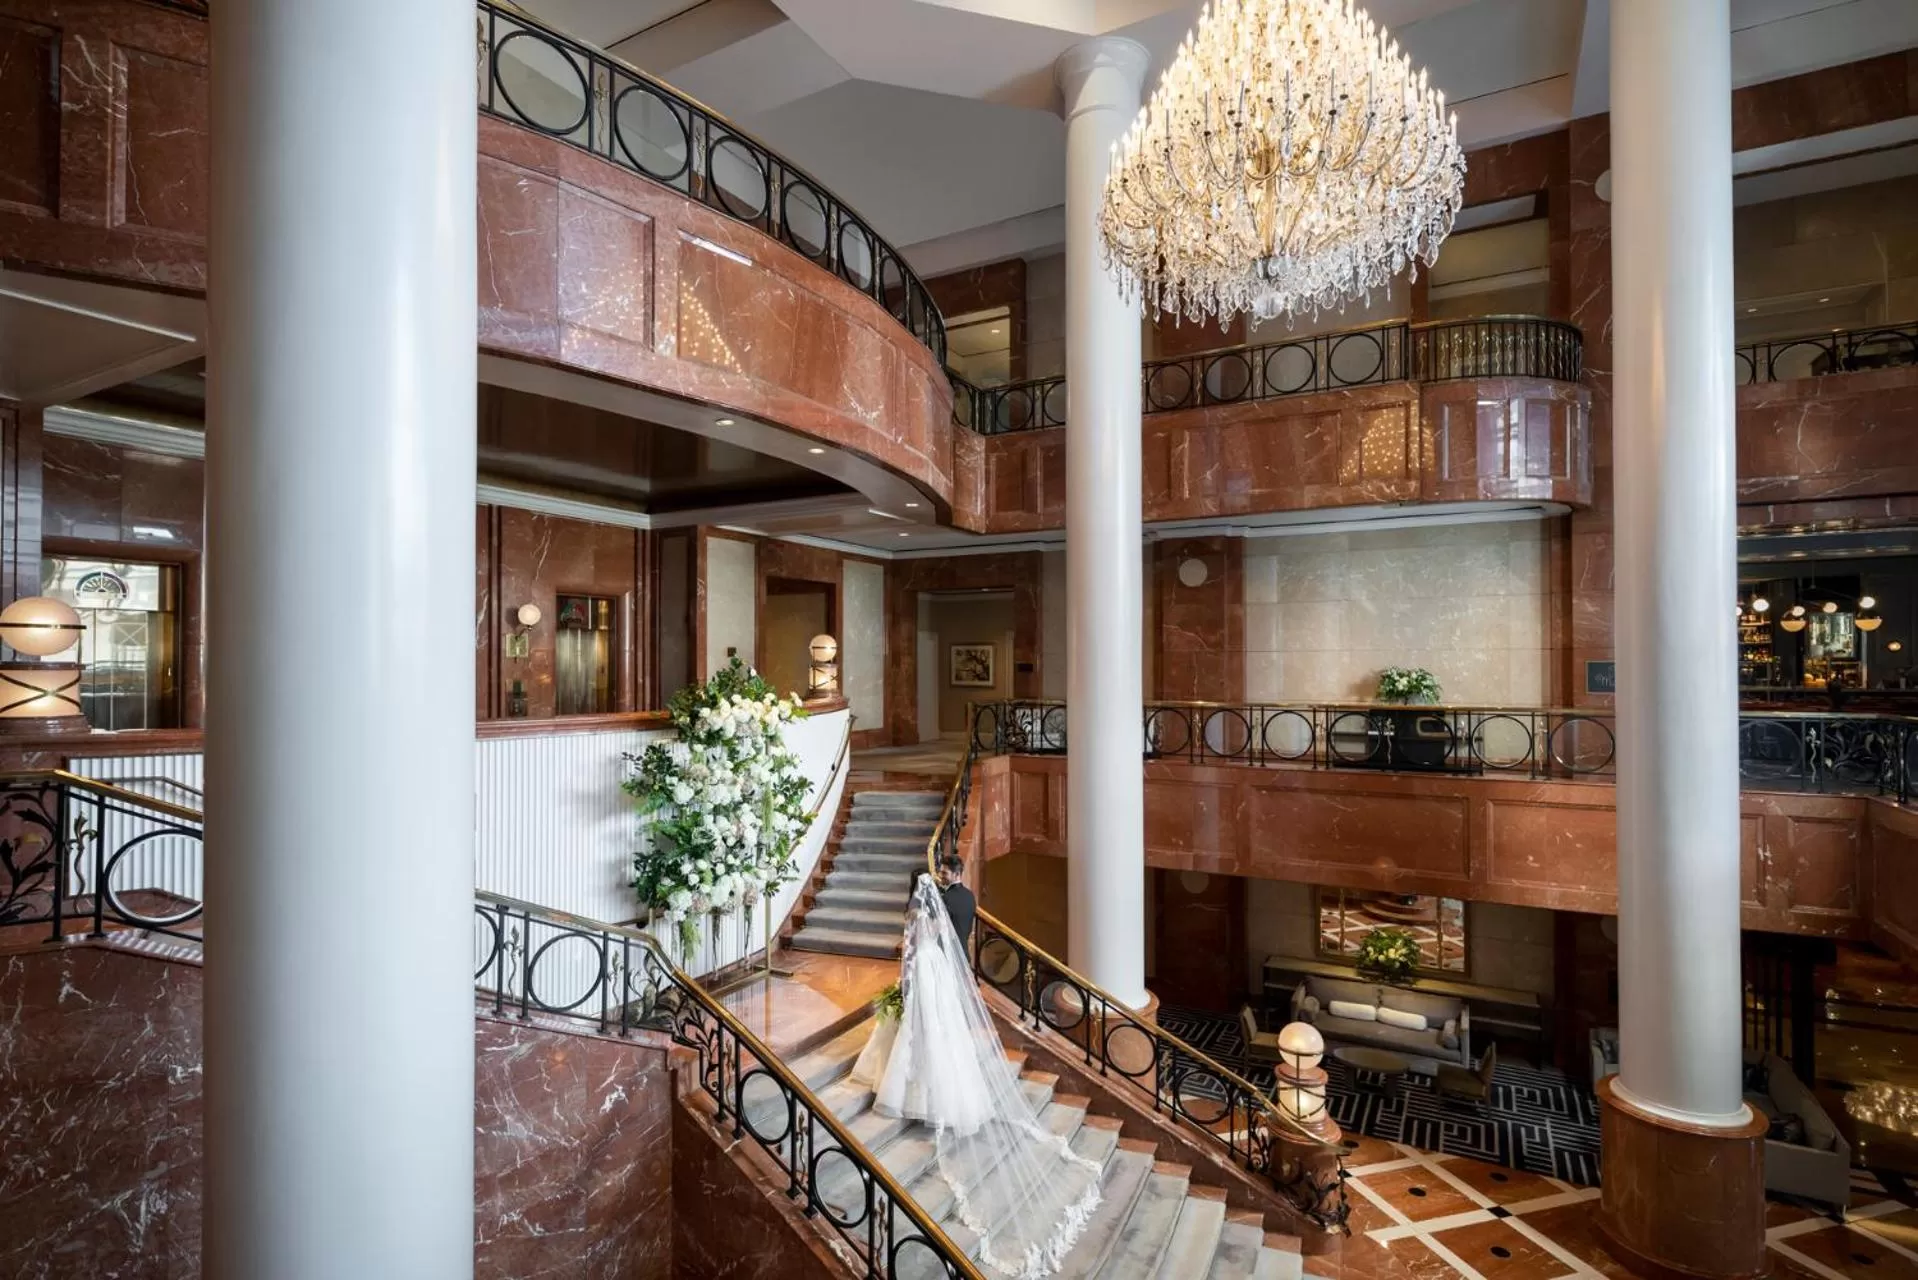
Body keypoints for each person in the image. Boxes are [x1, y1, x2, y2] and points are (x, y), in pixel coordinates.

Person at [852, 874, 1101, 1278]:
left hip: (925, 981)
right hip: (941, 980)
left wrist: (906, 986)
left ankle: (917, 1095)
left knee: (919, 1042)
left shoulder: (916, 919)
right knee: (940, 1042)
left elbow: (910, 961)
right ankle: (934, 1095)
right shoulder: (939, 919)